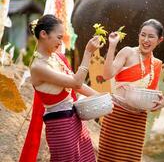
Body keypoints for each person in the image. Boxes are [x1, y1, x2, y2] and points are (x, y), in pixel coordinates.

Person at [20, 14, 102, 162]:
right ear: (44, 34)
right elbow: (76, 83)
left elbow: (77, 86)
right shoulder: (38, 67)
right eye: (59, 37)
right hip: (60, 125)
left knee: (85, 158)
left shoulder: (56, 57)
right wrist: (88, 52)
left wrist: (104, 97)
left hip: (74, 118)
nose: (60, 42)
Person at [97, 19, 164, 161]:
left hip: (138, 121)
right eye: (143, 35)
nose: (146, 40)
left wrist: (163, 103)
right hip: (116, 116)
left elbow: (153, 97)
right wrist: (112, 46)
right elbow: (107, 74)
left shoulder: (157, 64)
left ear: (160, 40)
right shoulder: (127, 52)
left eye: (151, 36)